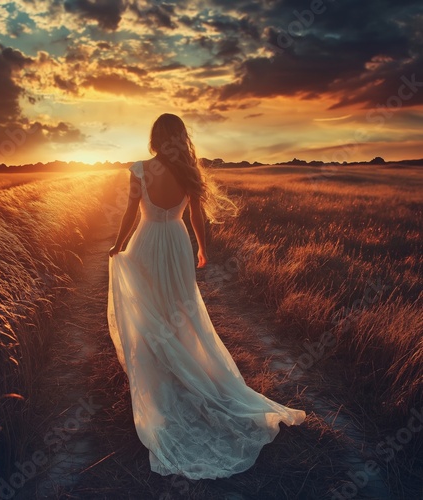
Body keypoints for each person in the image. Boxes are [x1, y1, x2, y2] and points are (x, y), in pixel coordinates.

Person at [107, 113, 306, 480]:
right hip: (177, 244)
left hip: (147, 242)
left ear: (155, 138)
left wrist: (118, 246)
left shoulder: (139, 169)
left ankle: (160, 376)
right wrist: (200, 247)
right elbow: (196, 215)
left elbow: (130, 213)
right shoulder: (189, 171)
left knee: (149, 311)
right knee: (181, 311)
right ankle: (184, 370)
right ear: (180, 138)